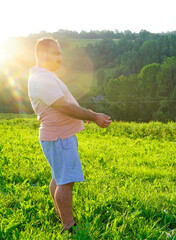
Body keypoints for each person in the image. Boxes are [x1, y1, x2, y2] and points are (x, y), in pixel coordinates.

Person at [27, 37, 112, 233]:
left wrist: (84, 114)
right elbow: (63, 107)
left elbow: (65, 103)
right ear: (43, 54)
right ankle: (69, 226)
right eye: (57, 53)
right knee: (65, 181)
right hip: (59, 137)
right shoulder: (42, 78)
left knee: (58, 178)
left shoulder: (43, 76)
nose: (60, 57)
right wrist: (93, 116)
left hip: (57, 136)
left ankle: (63, 217)